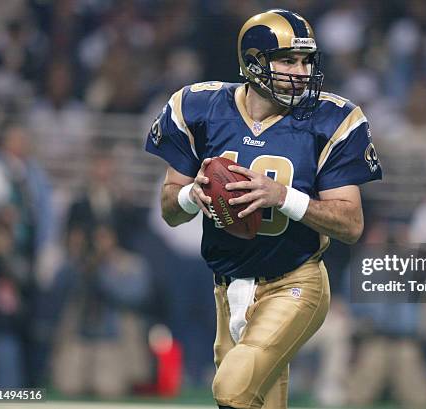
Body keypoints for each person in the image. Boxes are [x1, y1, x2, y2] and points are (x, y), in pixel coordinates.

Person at [144, 9, 382, 409]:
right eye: (289, 60)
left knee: (231, 389)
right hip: (226, 286)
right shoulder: (199, 107)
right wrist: (192, 195)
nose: (302, 71)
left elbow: (352, 223)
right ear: (254, 62)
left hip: (295, 281)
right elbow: (170, 209)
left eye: (307, 60)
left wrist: (283, 196)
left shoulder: (331, 119)